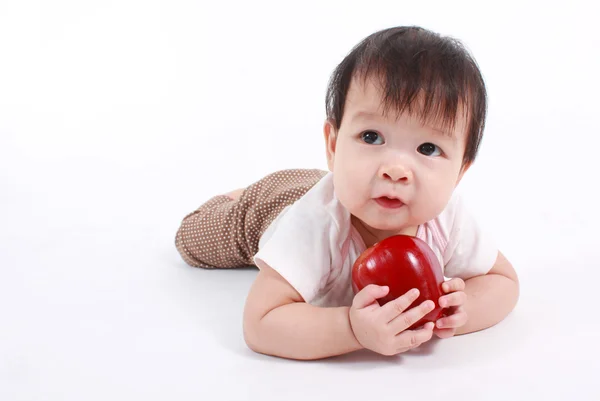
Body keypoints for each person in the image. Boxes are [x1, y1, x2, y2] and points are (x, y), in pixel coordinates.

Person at [175, 26, 520, 360]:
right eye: (371, 137)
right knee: (192, 240)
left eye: (428, 148)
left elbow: (504, 281)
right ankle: (239, 197)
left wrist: (461, 310)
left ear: (460, 172)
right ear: (334, 144)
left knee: (322, 185)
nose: (395, 169)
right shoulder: (314, 224)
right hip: (274, 205)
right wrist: (353, 330)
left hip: (343, 184)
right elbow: (260, 323)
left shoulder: (449, 217)